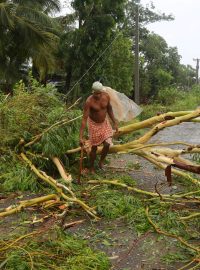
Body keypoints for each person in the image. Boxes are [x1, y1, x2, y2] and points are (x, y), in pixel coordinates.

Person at [79, 81, 118, 173]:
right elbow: (84, 119)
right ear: (93, 92)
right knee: (94, 147)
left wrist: (115, 122)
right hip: (94, 125)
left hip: (104, 123)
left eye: (100, 93)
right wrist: (80, 136)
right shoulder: (89, 101)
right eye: (96, 94)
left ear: (102, 92)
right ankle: (91, 167)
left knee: (107, 144)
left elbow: (109, 109)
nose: (98, 95)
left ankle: (101, 162)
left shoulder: (106, 96)